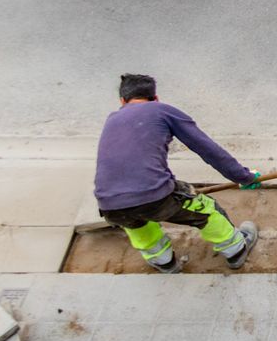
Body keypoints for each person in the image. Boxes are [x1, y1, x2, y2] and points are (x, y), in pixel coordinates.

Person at [94, 73, 261, 273]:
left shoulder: (112, 119)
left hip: (109, 205)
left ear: (122, 101)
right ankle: (235, 248)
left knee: (136, 222)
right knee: (206, 209)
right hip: (154, 196)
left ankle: (163, 261)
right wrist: (243, 177)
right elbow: (207, 149)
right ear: (155, 98)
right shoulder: (162, 111)